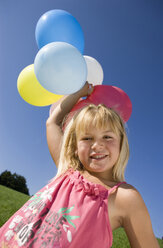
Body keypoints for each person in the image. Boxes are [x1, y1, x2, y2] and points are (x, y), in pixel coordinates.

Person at [0, 82, 159, 248]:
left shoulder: (125, 198)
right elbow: (53, 122)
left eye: (107, 137)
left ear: (121, 144)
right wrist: (78, 92)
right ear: (75, 148)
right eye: (87, 138)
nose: (97, 145)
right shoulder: (67, 170)